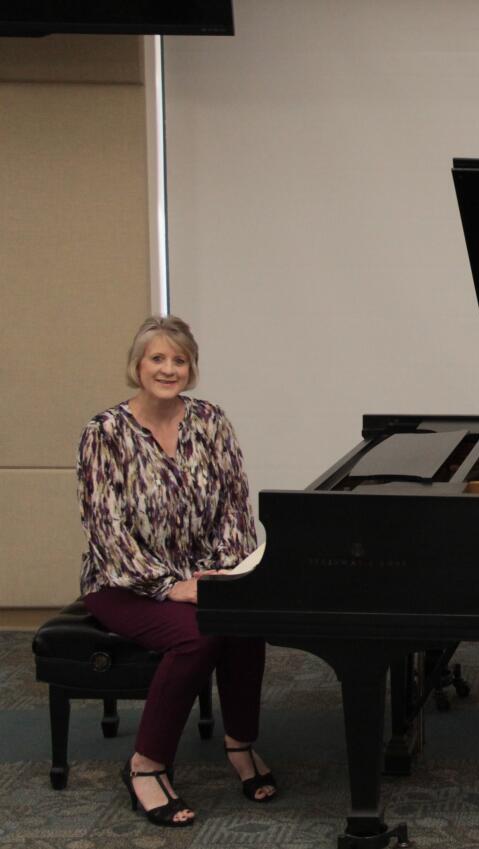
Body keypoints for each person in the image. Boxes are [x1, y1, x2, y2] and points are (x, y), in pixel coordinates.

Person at [77, 315, 276, 827]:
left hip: (201, 571)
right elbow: (106, 530)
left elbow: (234, 505)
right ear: (137, 365)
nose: (169, 369)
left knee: (243, 618)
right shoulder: (105, 433)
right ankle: (146, 764)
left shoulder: (211, 421)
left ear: (191, 368)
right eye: (158, 358)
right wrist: (170, 586)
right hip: (123, 581)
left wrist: (225, 574)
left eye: (179, 360)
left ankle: (240, 743)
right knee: (196, 637)